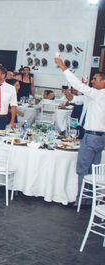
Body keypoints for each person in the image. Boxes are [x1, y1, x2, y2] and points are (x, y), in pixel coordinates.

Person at [54, 56, 105, 194]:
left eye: (95, 79)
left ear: (104, 82)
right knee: (93, 169)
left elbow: (79, 86)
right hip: (100, 137)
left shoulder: (100, 94)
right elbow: (77, 99)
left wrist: (63, 67)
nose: (92, 81)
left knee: (82, 168)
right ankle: (92, 196)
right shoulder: (96, 96)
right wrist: (67, 93)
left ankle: (80, 198)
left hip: (91, 137)